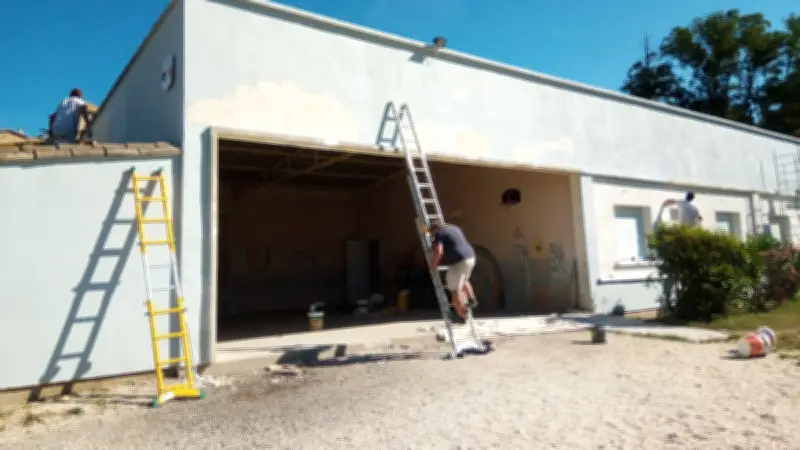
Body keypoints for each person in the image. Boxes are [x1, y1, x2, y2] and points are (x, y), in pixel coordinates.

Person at [429, 219, 477, 324]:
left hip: (458, 262)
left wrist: (433, 265)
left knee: (455, 291)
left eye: (432, 233)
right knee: (463, 279)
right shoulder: (454, 228)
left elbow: (439, 251)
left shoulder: (439, 233)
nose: (432, 236)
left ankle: (461, 317)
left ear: (434, 229)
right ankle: (471, 298)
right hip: (470, 257)